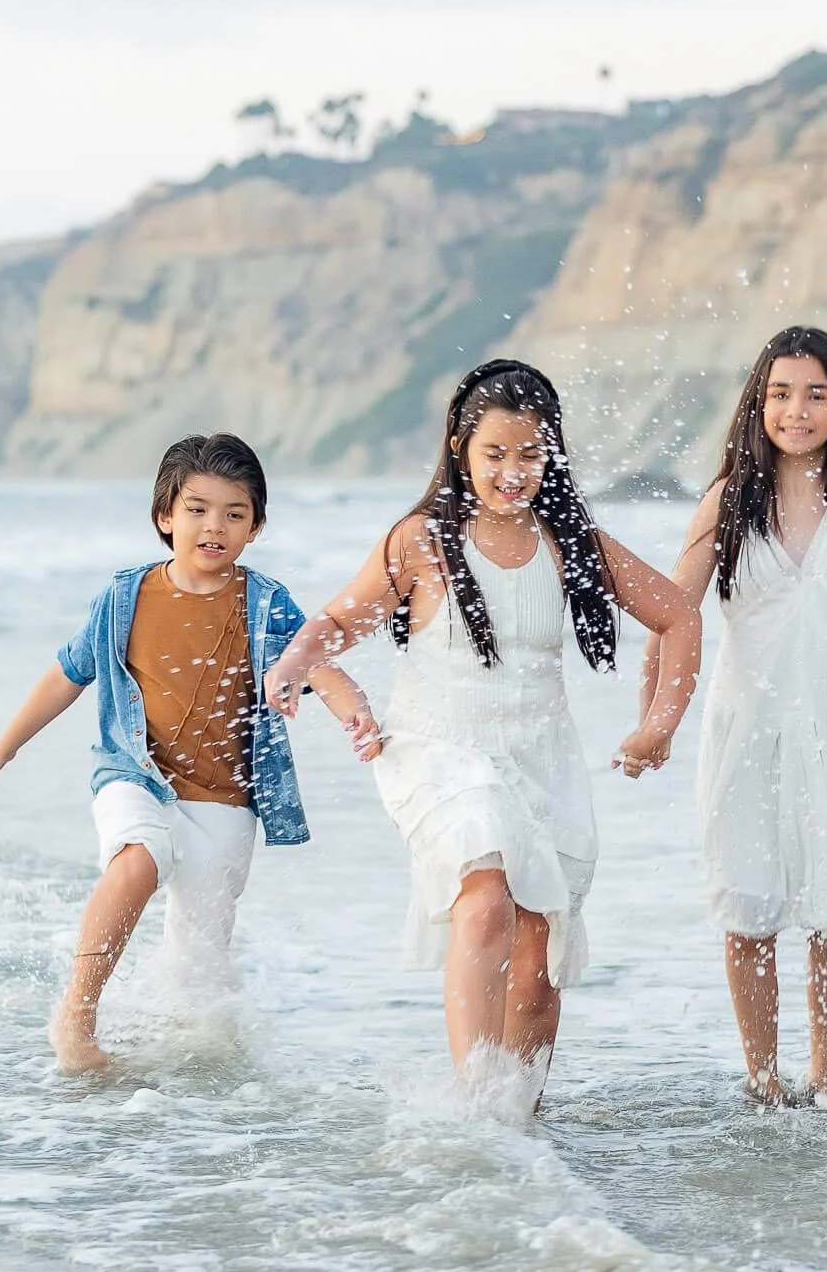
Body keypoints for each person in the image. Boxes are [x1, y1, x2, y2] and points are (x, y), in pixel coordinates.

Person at [264, 360, 700, 1101]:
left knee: (538, 960)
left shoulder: (570, 541)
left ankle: (519, 1121)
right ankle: (474, 1109)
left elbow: (679, 614)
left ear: (550, 453)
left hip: (542, 757)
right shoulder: (422, 539)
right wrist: (298, 658)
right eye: (495, 453)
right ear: (461, 447)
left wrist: (658, 725)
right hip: (439, 748)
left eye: (530, 454)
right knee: (486, 894)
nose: (512, 472)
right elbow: (342, 618)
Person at [0, 433, 382, 1074]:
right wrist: (3, 748)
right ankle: (78, 1016)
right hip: (134, 772)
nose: (214, 525)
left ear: (255, 528)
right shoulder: (126, 599)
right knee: (137, 863)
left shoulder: (265, 603)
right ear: (165, 516)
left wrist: (353, 708)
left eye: (234, 514)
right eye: (197, 508)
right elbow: (67, 674)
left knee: (199, 970)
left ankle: (187, 1084)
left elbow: (313, 662)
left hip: (224, 797)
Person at [651, 327, 827, 1108]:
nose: (798, 410)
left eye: (817, 394)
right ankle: (761, 1078)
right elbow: (671, 610)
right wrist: (655, 719)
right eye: (782, 393)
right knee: (749, 908)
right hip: (746, 729)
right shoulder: (730, 499)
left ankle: (826, 1076)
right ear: (759, 402)